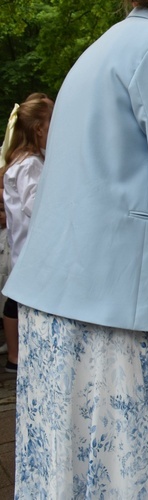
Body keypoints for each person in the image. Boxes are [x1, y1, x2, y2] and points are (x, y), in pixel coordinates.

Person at [3, 1, 148, 496]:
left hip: (52, 295)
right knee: (115, 465)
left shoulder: (94, 53)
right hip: (111, 303)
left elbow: (103, 180)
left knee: (60, 460)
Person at [0, 93, 54, 374]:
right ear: (39, 129)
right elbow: (36, 206)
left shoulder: (24, 159)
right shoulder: (30, 164)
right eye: (52, 121)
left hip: (24, 252)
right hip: (31, 255)